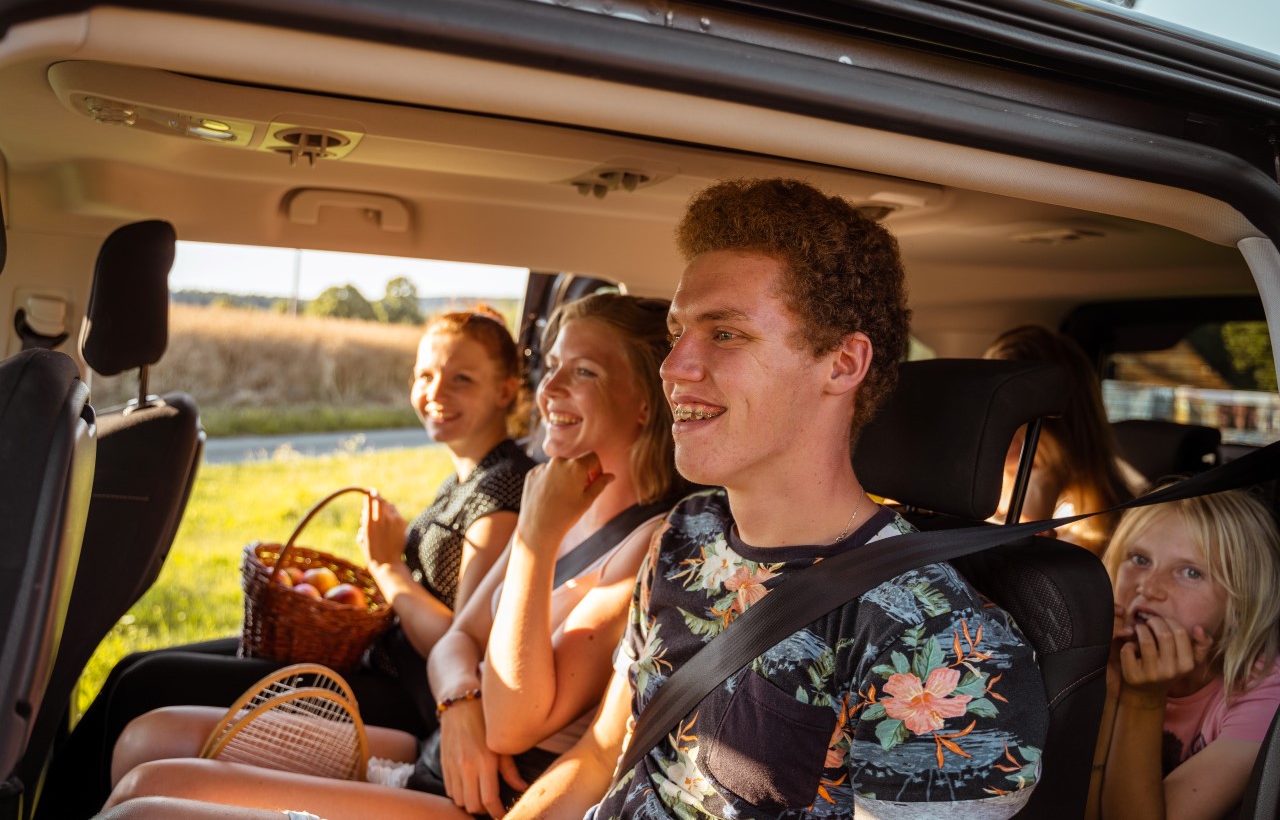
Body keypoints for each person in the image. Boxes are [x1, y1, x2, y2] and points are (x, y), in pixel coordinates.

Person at [502, 178, 1049, 819]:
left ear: (842, 364)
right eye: (678, 333)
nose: (673, 367)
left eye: (725, 334)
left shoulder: (943, 647)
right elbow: (603, 756)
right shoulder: (684, 534)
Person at [102, 293, 685, 820]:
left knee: (147, 802)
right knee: (146, 745)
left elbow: (512, 727)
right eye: (551, 365)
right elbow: (457, 640)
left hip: (489, 800)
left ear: (646, 402)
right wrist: (458, 704)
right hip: (437, 750)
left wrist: (535, 537)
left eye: (583, 371)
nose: (549, 388)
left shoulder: (644, 543)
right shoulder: (561, 508)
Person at [39, 307, 534, 819]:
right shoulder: (467, 478)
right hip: (370, 661)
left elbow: (462, 642)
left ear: (506, 390)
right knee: (134, 670)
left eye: (462, 379)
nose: (436, 391)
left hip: (405, 696)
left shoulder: (503, 492)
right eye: (425, 375)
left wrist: (387, 568)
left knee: (147, 685)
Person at [1088, 486, 1280, 820]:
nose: (1148, 587)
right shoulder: (1089, 652)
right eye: (1140, 559)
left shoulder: (1265, 693)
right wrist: (1111, 683)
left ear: (1239, 606)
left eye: (1191, 572)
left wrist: (1142, 699)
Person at [984, 324, 1136, 555]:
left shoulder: (1104, 528)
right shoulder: (988, 498)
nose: (987, 425)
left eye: (1001, 411)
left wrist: (1031, 524)